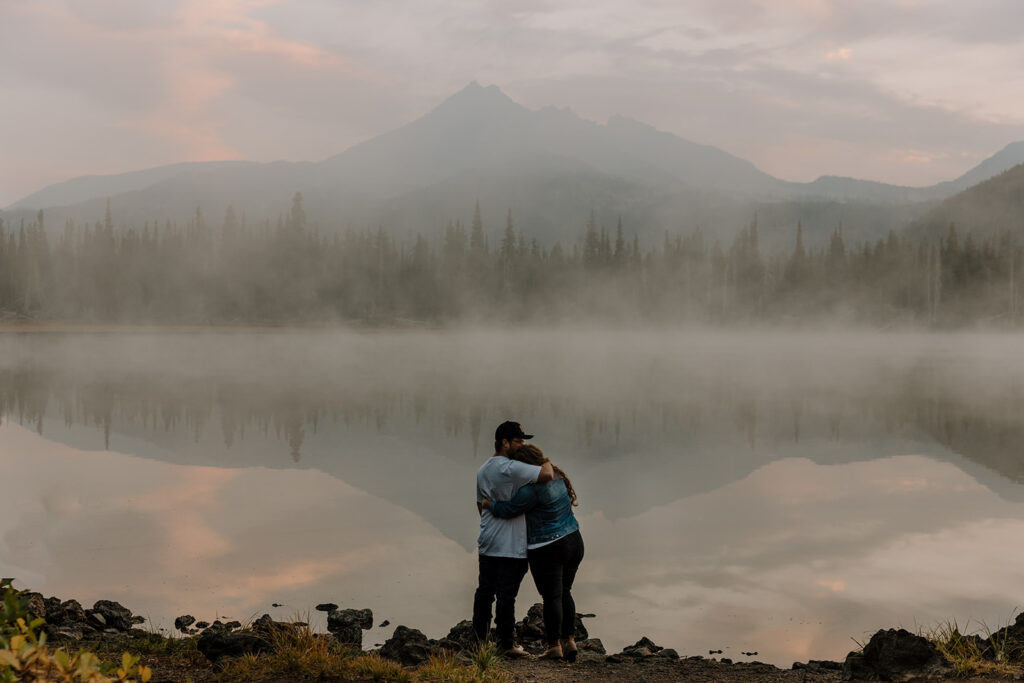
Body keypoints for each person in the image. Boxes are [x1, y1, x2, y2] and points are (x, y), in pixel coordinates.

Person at [482, 444, 583, 662]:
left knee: (552, 596)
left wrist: (490, 505)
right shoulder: (557, 475)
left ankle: (554, 646)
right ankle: (569, 641)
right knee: (565, 591)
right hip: (574, 540)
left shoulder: (530, 490)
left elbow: (509, 510)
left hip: (549, 547)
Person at [473, 421, 554, 657]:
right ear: (505, 442)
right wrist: (544, 459)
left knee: (484, 593)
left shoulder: (483, 469)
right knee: (506, 596)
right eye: (519, 441)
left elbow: (480, 505)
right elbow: (547, 474)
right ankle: (506, 645)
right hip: (510, 545)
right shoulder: (511, 468)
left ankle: (479, 643)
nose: (522, 446)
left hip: (488, 541)